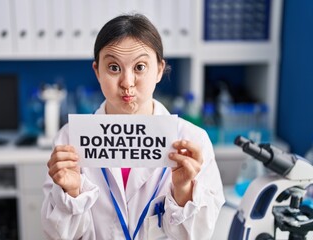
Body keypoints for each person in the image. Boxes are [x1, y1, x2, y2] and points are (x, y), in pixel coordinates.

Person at [41, 13, 225, 240]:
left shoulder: (193, 140)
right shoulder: (70, 140)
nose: (127, 83)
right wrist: (71, 192)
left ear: (159, 69)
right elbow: (58, 236)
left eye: (139, 67)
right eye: (114, 68)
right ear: (97, 71)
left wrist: (184, 190)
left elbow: (199, 236)